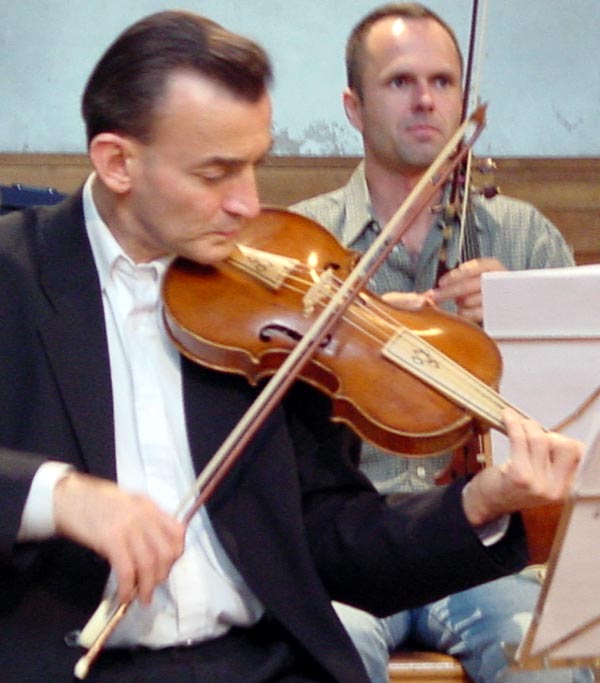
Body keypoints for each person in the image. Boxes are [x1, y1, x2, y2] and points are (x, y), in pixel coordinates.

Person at [0, 10, 584, 683]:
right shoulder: (17, 277)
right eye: (216, 173)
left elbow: (332, 538)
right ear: (118, 162)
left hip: (262, 663)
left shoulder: (260, 313)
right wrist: (60, 495)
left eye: (255, 165)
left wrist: (479, 503)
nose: (249, 204)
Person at [291, 4, 593, 683]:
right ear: (353, 105)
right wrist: (352, 329)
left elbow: (576, 416)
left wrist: (521, 312)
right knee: (319, 653)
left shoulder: (525, 237)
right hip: (349, 547)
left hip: (486, 542)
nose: (426, 99)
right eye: (400, 82)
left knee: (547, 664)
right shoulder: (304, 244)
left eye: (443, 81)